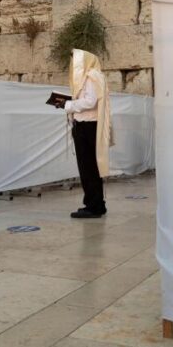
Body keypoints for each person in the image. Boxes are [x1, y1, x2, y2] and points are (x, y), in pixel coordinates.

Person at [54, 49, 112, 219]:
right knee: (88, 167)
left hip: (88, 127)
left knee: (89, 167)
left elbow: (90, 101)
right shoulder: (88, 77)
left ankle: (93, 206)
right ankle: (96, 204)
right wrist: (67, 103)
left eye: (76, 61)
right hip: (83, 125)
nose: (73, 65)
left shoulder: (92, 76)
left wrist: (68, 105)